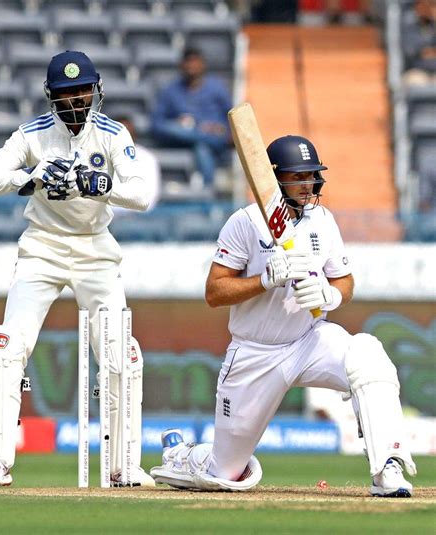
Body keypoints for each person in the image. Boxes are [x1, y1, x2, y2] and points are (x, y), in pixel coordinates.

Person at [150, 134, 417, 496]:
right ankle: (185, 456)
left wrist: (331, 295)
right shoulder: (245, 222)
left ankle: (388, 468)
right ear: (274, 179)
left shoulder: (322, 219)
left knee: (369, 358)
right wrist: (264, 280)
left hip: (309, 340)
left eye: (311, 176)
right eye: (298, 176)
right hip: (254, 352)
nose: (308, 184)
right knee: (225, 474)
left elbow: (345, 279)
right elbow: (214, 292)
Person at [0, 50, 155, 488]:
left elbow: (142, 194)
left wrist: (101, 185)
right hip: (42, 248)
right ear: (52, 97)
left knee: (119, 352)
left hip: (96, 250)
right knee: (6, 346)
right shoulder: (32, 135)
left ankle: (123, 465)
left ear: (96, 91)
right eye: (67, 93)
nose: (77, 100)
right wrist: (30, 179)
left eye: (83, 91)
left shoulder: (113, 133)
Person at [150, 47, 232, 195]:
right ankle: (208, 193)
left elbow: (232, 115)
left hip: (216, 138)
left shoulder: (217, 88)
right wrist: (180, 123)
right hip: (182, 136)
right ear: (182, 65)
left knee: (202, 147)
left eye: (195, 62)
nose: (191, 66)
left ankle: (207, 192)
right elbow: (157, 124)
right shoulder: (171, 90)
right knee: (177, 130)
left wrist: (221, 129)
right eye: (188, 62)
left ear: (203, 64)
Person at [113, 114, 161, 213]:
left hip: (139, 216)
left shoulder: (147, 158)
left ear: (134, 134)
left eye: (127, 132)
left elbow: (150, 197)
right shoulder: (98, 157)